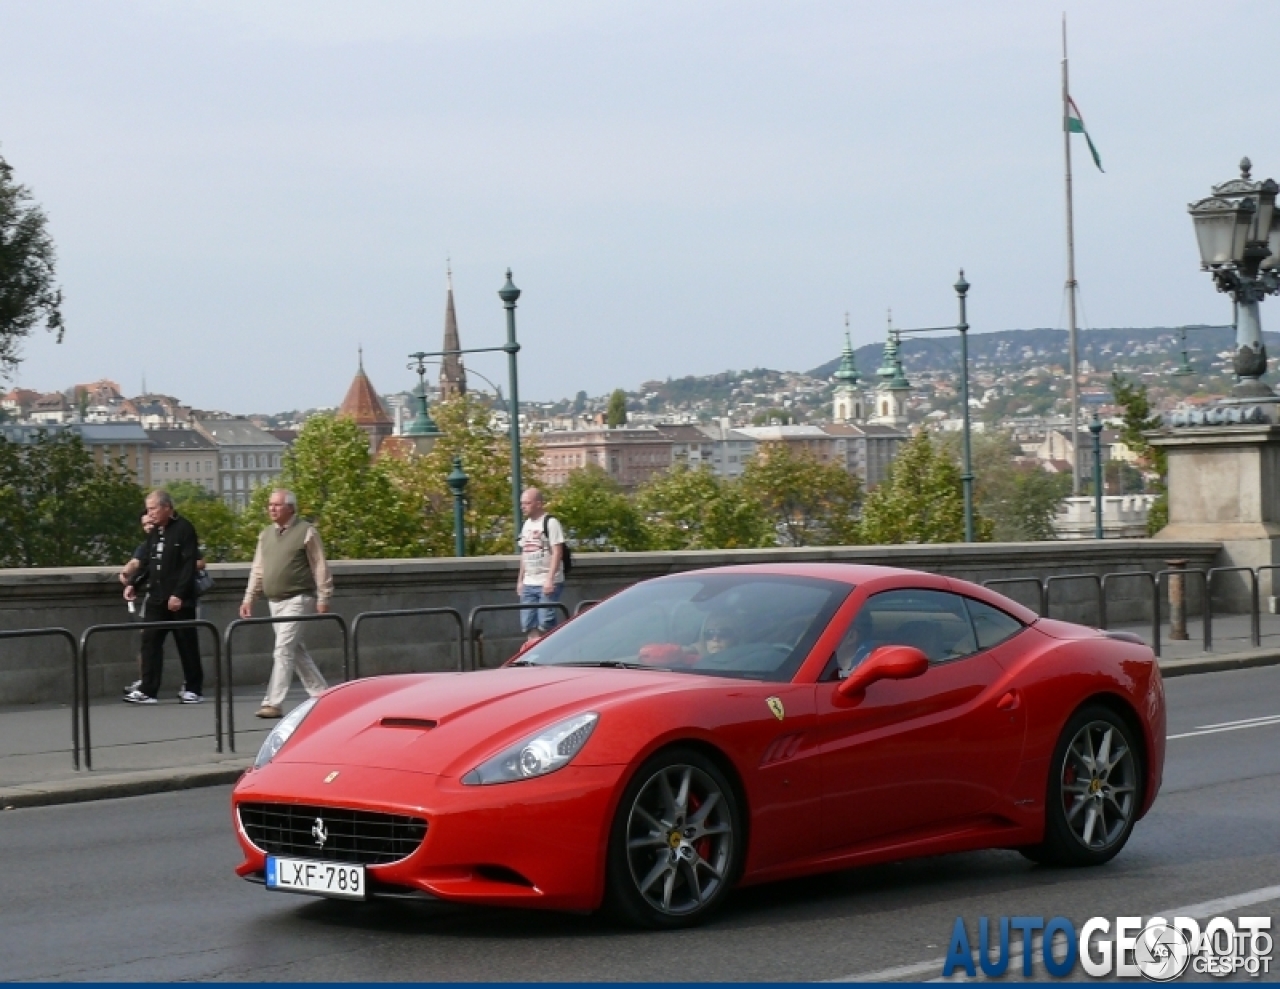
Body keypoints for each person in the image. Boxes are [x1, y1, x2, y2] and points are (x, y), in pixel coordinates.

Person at [240, 489, 332, 720]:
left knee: (282, 649)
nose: (272, 509)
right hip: (275, 600)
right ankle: (324, 695)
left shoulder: (306, 531)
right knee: (294, 650)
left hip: (298, 598)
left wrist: (324, 596)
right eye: (270, 505)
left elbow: (319, 565)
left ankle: (273, 702)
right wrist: (249, 597)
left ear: (290, 508)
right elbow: (258, 569)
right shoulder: (266, 535)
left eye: (277, 505)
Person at [122, 490, 204, 704]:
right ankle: (148, 690)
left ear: (167, 507)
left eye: (153, 509)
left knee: (186, 643)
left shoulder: (184, 529)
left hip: (179, 599)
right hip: (157, 597)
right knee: (149, 642)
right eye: (147, 510)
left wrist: (179, 594)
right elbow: (149, 563)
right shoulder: (156, 532)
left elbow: (189, 566)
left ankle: (194, 687)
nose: (149, 514)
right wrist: (134, 584)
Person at [515, 487, 565, 641]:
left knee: (545, 622)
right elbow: (525, 553)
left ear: (538, 503)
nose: (523, 506)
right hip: (529, 582)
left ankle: (553, 650)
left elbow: (557, 551)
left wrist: (550, 579)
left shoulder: (550, 523)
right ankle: (534, 656)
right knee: (528, 623)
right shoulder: (526, 525)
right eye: (522, 503)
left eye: (527, 503)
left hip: (546, 581)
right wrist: (520, 580)